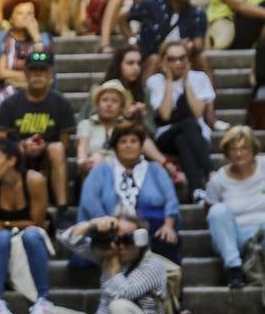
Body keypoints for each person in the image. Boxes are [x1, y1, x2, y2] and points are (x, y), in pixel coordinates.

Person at [79, 122, 181, 264]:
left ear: (141, 146)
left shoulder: (155, 169)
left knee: (166, 238)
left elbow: (171, 199)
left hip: (152, 228)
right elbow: (89, 200)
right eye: (123, 142)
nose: (128, 145)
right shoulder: (101, 170)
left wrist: (168, 225)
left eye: (133, 141)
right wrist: (105, 223)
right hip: (111, 229)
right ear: (115, 146)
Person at [0, 50, 74, 223]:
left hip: (48, 158)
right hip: (17, 156)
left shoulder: (61, 103)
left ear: (51, 74)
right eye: (33, 70)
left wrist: (43, 147)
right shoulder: (10, 103)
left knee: (57, 148)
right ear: (26, 73)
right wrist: (21, 145)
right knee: (10, 150)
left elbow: (65, 144)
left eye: (43, 70)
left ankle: (62, 209)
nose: (38, 74)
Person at [0, 137, 51, 314]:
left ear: (11, 161)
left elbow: (37, 223)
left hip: (30, 237)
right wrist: (17, 225)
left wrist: (8, 223)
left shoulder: (34, 180)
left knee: (32, 235)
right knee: (2, 237)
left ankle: (43, 299)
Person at [146, 39, 215, 200]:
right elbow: (165, 115)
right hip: (165, 134)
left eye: (182, 58)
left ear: (188, 59)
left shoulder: (199, 78)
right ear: (163, 61)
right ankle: (210, 172)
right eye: (171, 59)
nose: (177, 63)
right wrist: (169, 80)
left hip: (195, 135)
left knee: (183, 139)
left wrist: (186, 82)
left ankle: (196, 190)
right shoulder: (155, 81)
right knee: (187, 124)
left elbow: (198, 112)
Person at [204, 125, 265, 288]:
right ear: (227, 153)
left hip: (263, 232)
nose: (239, 153)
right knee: (217, 211)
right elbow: (209, 210)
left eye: (244, 148)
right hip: (237, 238)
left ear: (253, 149)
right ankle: (234, 270)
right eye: (233, 149)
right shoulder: (218, 180)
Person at [76, 80, 170, 178]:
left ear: (121, 107)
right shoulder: (86, 124)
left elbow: (139, 144)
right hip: (93, 171)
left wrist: (139, 119)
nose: (109, 104)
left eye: (115, 101)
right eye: (104, 100)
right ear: (98, 103)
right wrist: (82, 160)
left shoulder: (126, 126)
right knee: (97, 159)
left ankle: (167, 165)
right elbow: (82, 146)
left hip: (122, 171)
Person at [127, 0, 208, 71]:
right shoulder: (152, 5)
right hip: (154, 58)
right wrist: (132, 39)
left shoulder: (198, 13)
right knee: (154, 59)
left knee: (202, 58)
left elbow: (198, 44)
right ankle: (145, 87)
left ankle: (209, 87)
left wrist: (190, 46)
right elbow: (124, 17)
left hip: (182, 61)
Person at [0, 0, 52, 105]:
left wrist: (37, 39)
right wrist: (30, 77)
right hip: (7, 92)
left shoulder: (44, 39)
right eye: (19, 13)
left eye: (30, 14)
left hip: (37, 91)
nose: (25, 17)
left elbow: (43, 67)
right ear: (10, 18)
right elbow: (2, 73)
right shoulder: (0, 41)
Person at [102, 44, 149, 127]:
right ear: (119, 65)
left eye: (138, 63)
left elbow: (151, 129)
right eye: (130, 63)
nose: (136, 68)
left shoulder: (144, 92)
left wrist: (141, 117)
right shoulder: (102, 90)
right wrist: (123, 116)